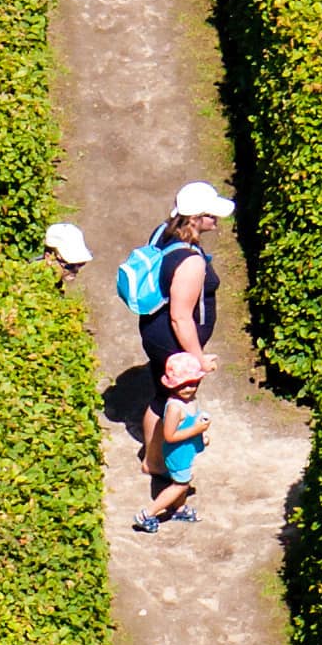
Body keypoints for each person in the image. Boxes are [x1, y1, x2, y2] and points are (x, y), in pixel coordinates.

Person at [132, 180, 231, 482]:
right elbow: (181, 318)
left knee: (161, 394)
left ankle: (154, 455)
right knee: (166, 400)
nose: (217, 219)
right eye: (211, 214)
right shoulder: (190, 261)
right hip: (171, 339)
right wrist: (197, 358)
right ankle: (154, 461)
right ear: (194, 218)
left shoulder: (163, 231)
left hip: (156, 331)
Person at [138, 348, 208, 532]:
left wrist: (201, 435)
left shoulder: (190, 400)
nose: (188, 389)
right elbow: (169, 436)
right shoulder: (175, 408)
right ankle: (148, 514)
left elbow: (193, 422)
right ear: (171, 385)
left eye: (193, 384)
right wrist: (196, 429)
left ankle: (179, 509)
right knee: (180, 484)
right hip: (177, 453)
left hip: (185, 450)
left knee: (180, 481)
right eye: (182, 385)